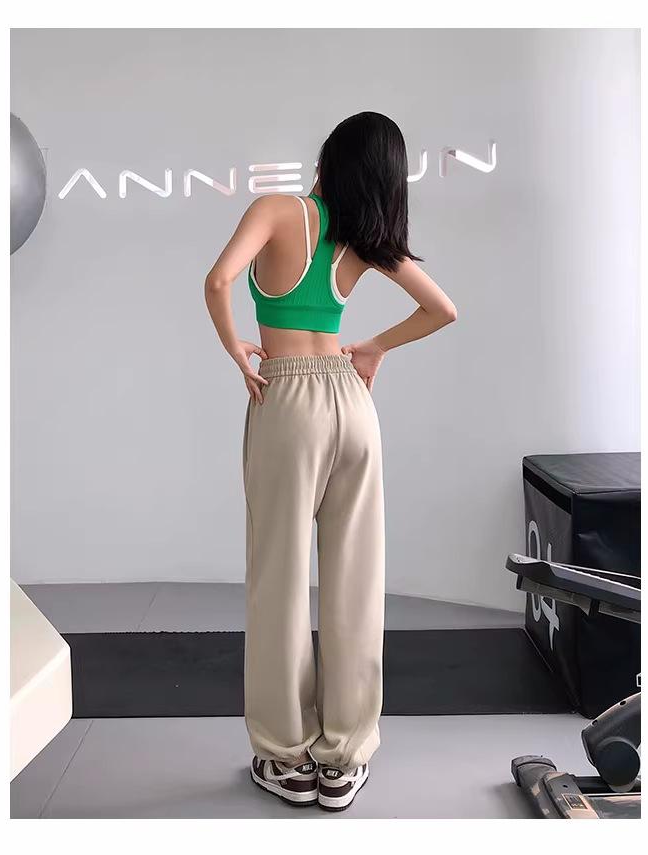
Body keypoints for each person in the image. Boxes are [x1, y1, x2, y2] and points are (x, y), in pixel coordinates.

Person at [204, 112, 457, 811]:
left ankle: (286, 759)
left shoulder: (277, 209)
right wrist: (372, 346)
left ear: (328, 157)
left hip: (285, 399)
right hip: (353, 404)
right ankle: (343, 760)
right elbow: (443, 310)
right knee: (356, 580)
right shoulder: (363, 237)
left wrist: (235, 348)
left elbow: (219, 281)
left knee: (279, 578)